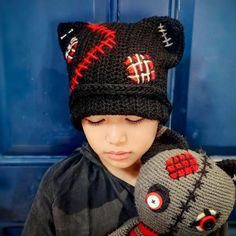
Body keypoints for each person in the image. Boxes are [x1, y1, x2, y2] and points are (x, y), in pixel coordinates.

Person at [22, 16, 229, 236]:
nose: (115, 138)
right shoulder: (60, 183)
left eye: (134, 120)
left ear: (157, 117)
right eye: (96, 121)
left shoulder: (199, 182)